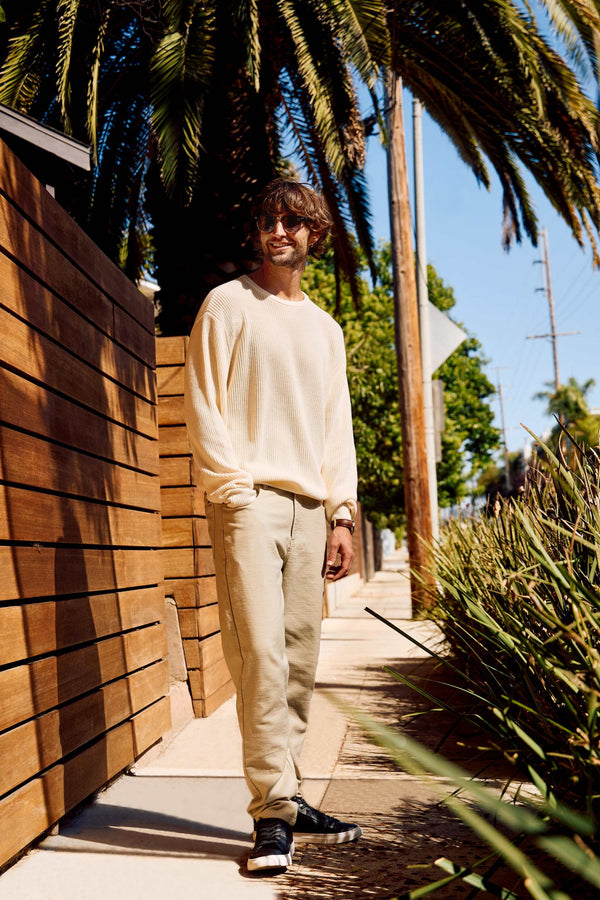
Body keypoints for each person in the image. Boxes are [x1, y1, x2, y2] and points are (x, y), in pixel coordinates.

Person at [184, 178, 361, 872]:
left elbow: (336, 427)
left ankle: (289, 795)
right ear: (257, 232)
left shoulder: (326, 329)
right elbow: (204, 404)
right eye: (269, 220)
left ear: (315, 233)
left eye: (293, 221)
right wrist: (232, 491)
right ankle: (271, 816)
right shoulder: (228, 305)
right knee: (259, 657)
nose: (279, 230)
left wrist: (341, 513)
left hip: (312, 509)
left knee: (297, 661)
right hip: (249, 502)